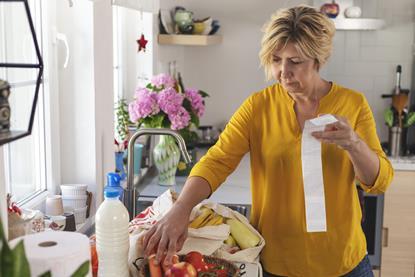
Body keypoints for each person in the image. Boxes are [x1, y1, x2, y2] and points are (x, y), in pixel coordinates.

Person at [143, 5, 394, 277]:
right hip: (277, 266)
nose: (283, 72)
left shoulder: (352, 104)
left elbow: (379, 180)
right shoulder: (258, 107)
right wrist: (181, 208)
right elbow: (217, 161)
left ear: (318, 60)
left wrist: (353, 144)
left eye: (295, 61)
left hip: (345, 264)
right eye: (276, 60)